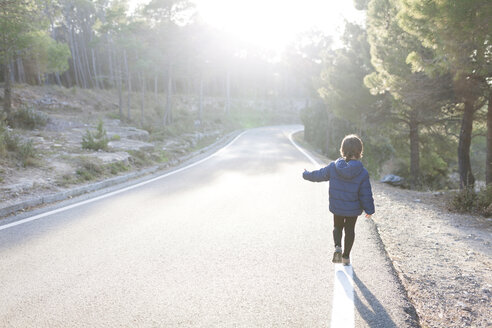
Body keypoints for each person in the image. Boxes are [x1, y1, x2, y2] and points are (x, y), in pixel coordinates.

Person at [302, 134, 375, 266]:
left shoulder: (333, 167)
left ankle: (337, 246)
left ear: (342, 149)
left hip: (337, 206)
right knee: (350, 229)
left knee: (337, 226)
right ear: (359, 151)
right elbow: (366, 193)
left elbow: (318, 175)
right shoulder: (362, 172)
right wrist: (369, 209)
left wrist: (306, 174)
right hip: (353, 208)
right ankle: (346, 257)